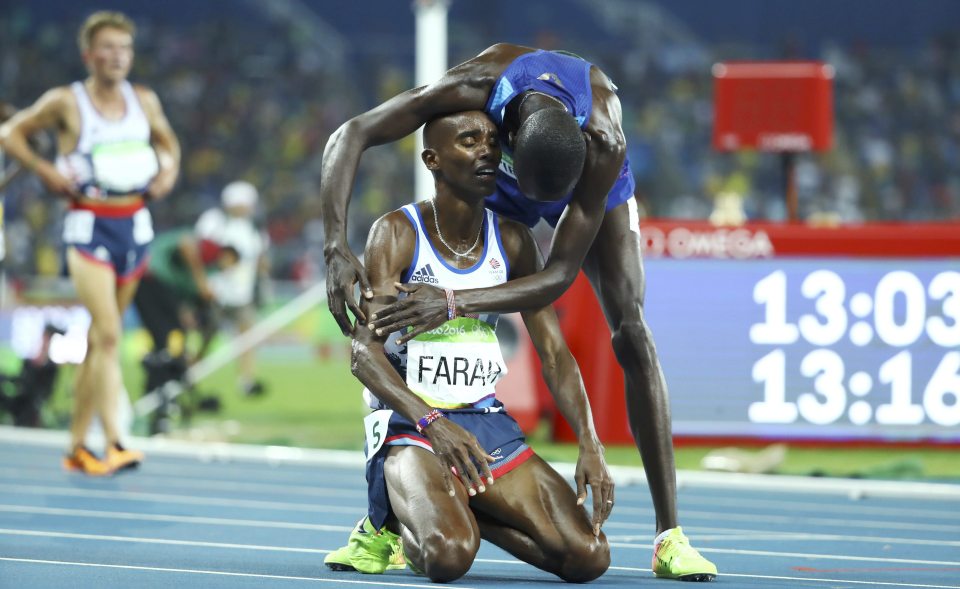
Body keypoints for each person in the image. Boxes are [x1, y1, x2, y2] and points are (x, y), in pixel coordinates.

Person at [320, 44, 716, 581]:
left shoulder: (604, 143)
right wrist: (335, 246)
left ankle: (670, 535)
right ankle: (404, 477)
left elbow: (555, 278)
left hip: (584, 187)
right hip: (499, 182)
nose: (536, 214)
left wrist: (455, 301)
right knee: (423, 269)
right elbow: (352, 133)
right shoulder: (474, 91)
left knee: (633, 333)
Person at [326, 110, 612, 583]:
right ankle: (393, 522)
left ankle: (462, 503)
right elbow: (364, 355)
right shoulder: (398, 233)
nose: (486, 150)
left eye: (492, 140)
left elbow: (556, 355)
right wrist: (431, 422)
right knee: (450, 557)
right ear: (432, 159)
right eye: (468, 140)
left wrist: (590, 441)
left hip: (484, 421)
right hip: (413, 423)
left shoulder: (514, 240)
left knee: (589, 557)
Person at [0, 11, 180, 475]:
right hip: (88, 225)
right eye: (108, 47)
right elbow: (10, 132)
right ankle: (116, 439)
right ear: (89, 54)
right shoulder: (66, 101)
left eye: (125, 47)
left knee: (100, 341)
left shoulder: (145, 100)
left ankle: (77, 445)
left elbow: (169, 145)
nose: (118, 55)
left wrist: (167, 174)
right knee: (109, 335)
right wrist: (46, 172)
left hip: (134, 223)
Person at [194, 180, 270, 397]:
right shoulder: (213, 222)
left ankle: (246, 381)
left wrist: (262, 282)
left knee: (247, 338)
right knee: (205, 338)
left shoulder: (255, 229)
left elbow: (260, 261)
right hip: (213, 293)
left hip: (242, 295)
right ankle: (190, 376)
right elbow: (199, 254)